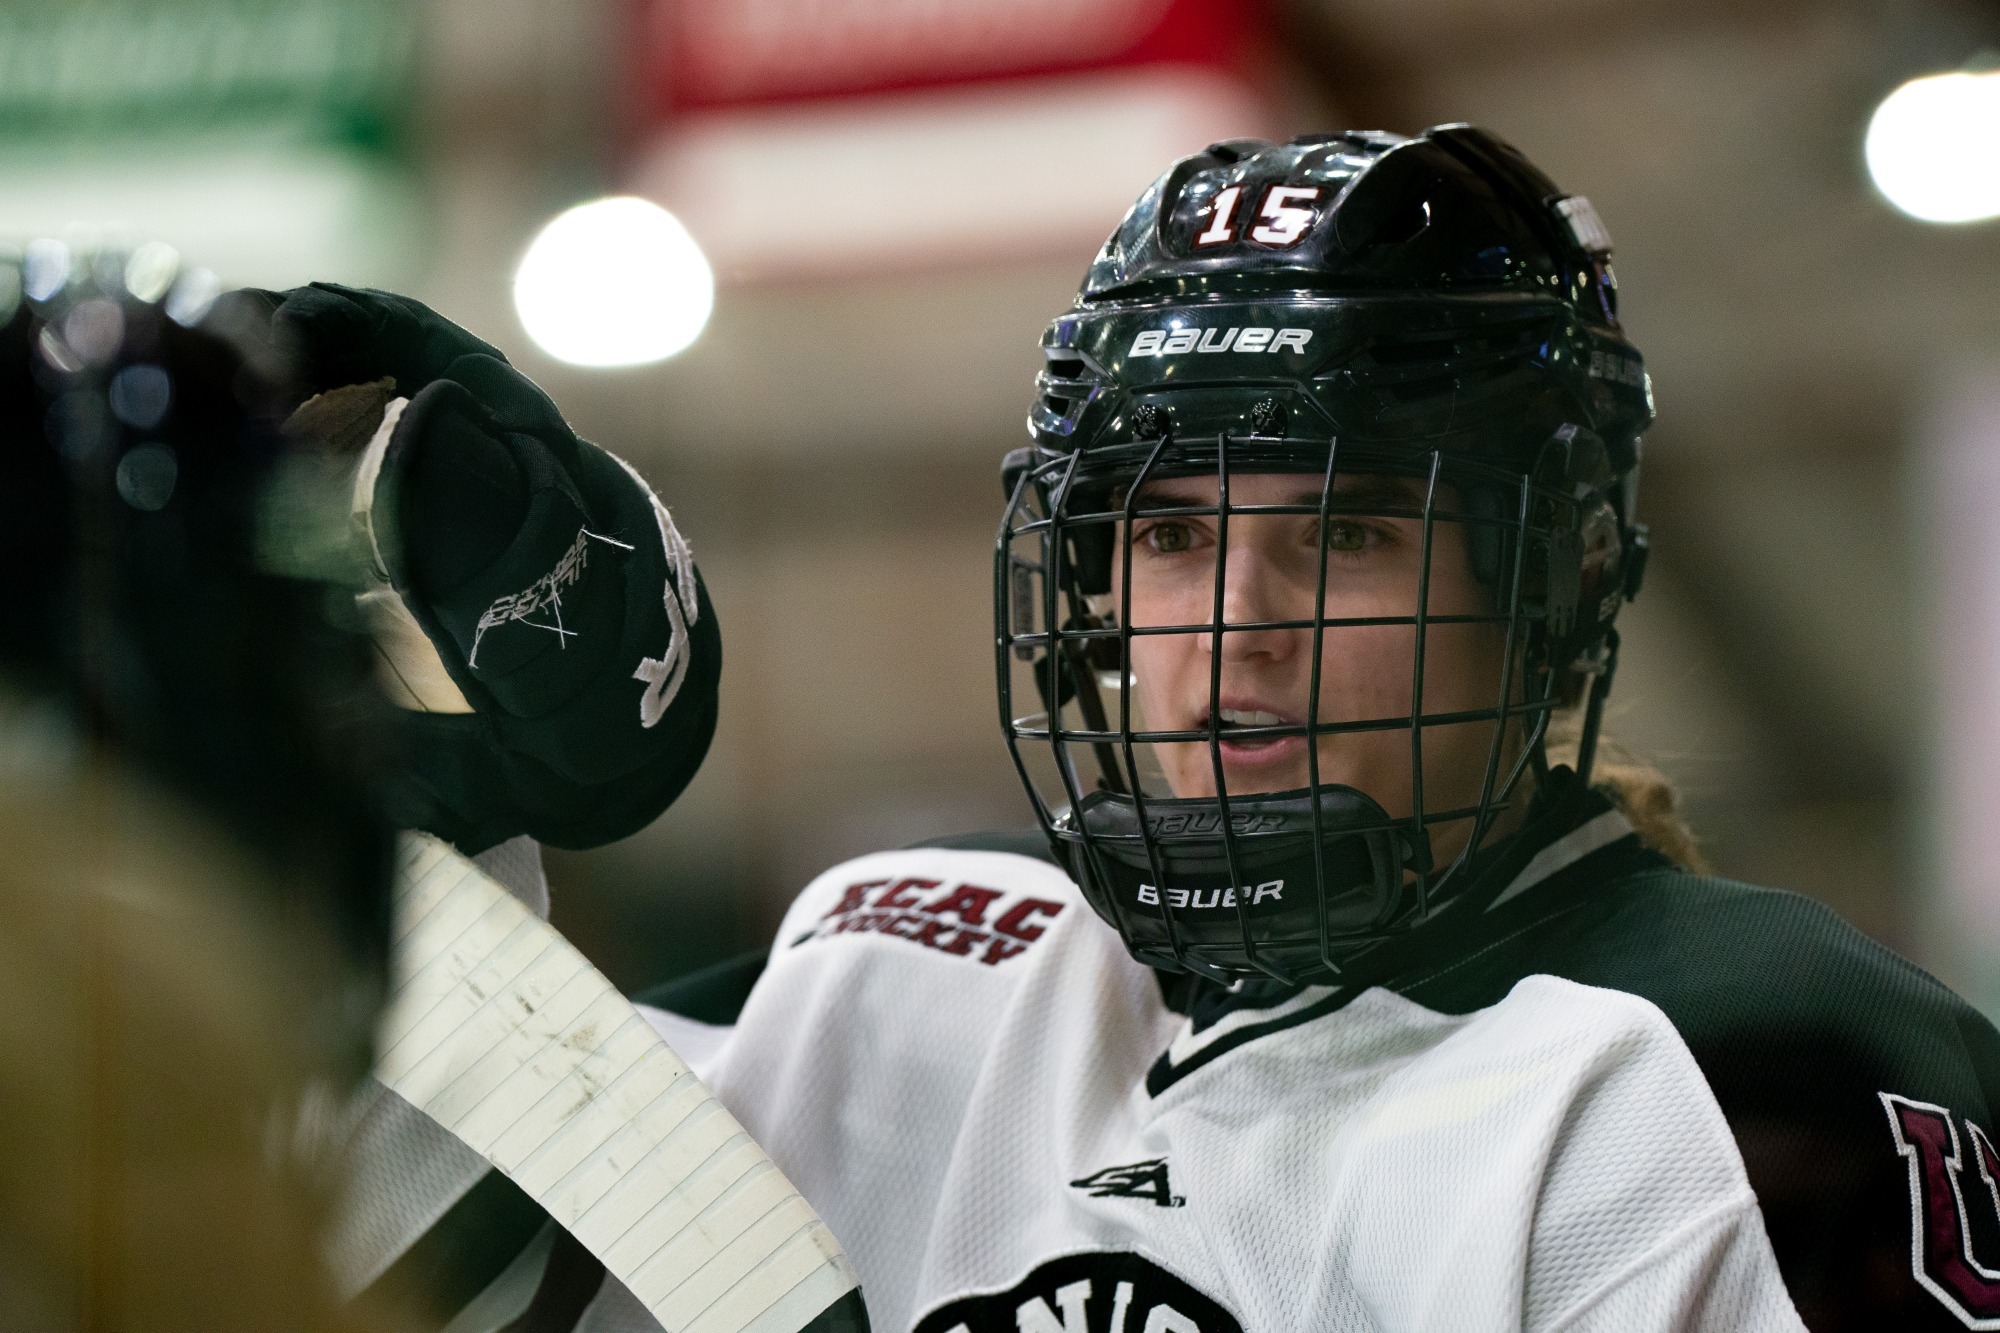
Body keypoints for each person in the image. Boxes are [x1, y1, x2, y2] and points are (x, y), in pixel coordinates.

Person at [632, 128, 2000, 1332]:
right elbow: (512, 1186)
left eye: (1344, 534)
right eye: (1172, 535)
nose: (1238, 625)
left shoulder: (1734, 1063)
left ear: (1556, 580)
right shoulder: (899, 955)